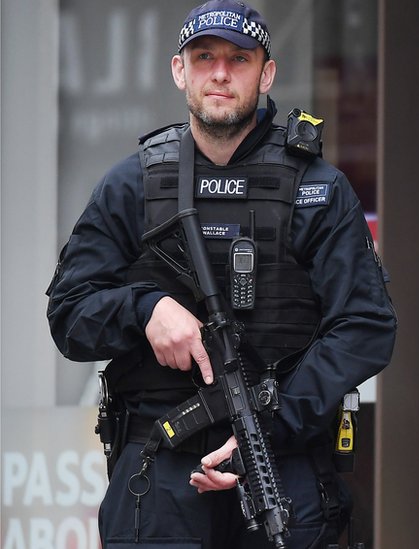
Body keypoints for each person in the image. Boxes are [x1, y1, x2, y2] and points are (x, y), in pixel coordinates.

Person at [46, 0, 397, 547]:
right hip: (160, 474)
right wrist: (145, 311)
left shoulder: (318, 190)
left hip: (281, 464)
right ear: (179, 70)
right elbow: (69, 314)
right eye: (204, 56)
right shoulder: (131, 186)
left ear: (267, 73)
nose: (220, 73)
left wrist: (272, 422)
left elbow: (366, 326)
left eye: (239, 59)